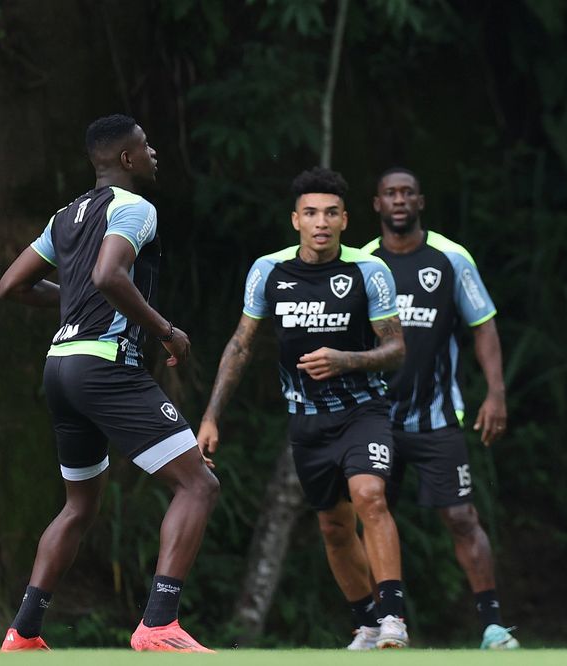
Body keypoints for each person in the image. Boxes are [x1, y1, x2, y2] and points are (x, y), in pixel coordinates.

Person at [0, 114, 220, 651]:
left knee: (79, 505)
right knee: (198, 485)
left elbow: (12, 285)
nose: (153, 152)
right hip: (104, 365)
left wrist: (71, 297)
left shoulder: (65, 215)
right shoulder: (135, 207)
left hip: (60, 369)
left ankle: (23, 632)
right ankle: (160, 624)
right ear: (125, 159)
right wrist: (166, 331)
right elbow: (108, 275)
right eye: (145, 145)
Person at [197, 167, 410, 649]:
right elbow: (241, 345)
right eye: (311, 213)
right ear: (296, 220)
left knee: (370, 496)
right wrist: (211, 416)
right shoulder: (268, 270)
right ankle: (368, 622)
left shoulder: (367, 271)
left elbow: (396, 348)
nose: (321, 222)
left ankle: (395, 617)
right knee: (333, 527)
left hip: (363, 410)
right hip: (307, 421)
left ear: (345, 220)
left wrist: (346, 359)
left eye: (331, 213)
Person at [362, 168, 519, 649]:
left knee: (460, 517)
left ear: (421, 202)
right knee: (366, 512)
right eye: (390, 193)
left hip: (436, 418)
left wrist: (495, 393)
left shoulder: (452, 258)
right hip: (373, 418)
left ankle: (492, 627)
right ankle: (382, 623)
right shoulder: (364, 262)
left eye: (408, 192)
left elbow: (484, 325)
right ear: (377, 205)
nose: (399, 200)